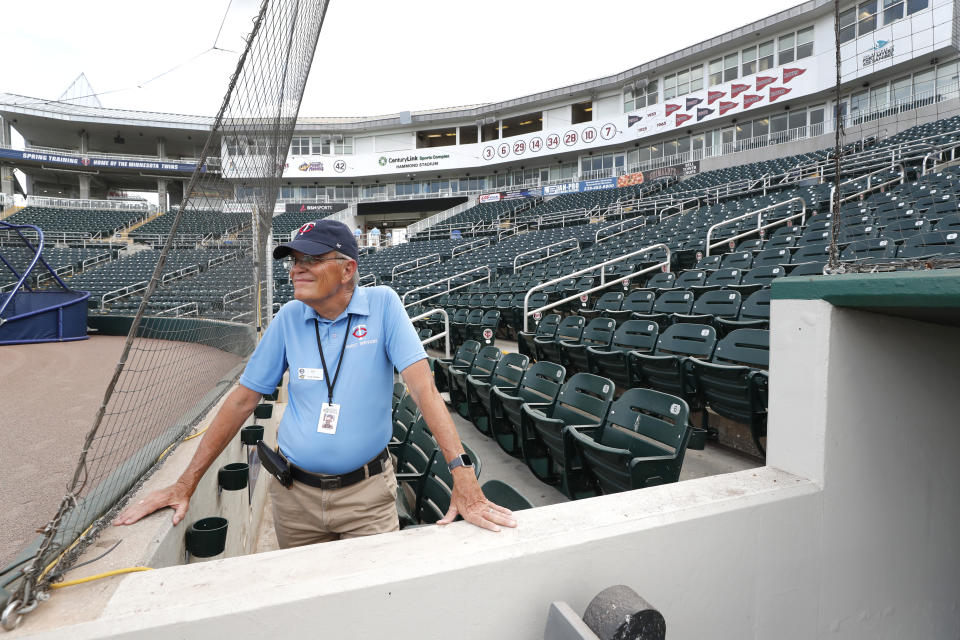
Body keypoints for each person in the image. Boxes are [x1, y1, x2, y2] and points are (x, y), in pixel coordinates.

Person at [115, 219, 516, 546]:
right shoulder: (289, 316)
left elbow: (423, 389)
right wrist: (185, 484)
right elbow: (241, 401)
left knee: (369, 609)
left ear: (347, 269)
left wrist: (462, 474)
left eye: (312, 258)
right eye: (293, 260)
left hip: (367, 497)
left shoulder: (383, 305)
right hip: (294, 499)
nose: (296, 268)